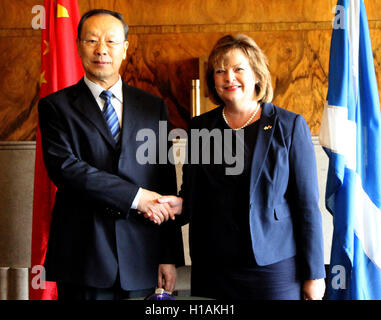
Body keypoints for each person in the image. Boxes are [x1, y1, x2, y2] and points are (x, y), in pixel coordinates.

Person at [155, 34, 326, 300]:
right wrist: (180, 205)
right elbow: (192, 195)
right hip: (214, 268)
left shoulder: (289, 126)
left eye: (238, 69)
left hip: (272, 269)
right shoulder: (201, 128)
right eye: (220, 71)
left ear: (257, 74)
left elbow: (306, 206)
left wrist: (315, 274)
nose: (229, 78)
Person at [38, 9, 184, 300]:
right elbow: (66, 169)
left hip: (141, 254)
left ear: (125, 48)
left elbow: (164, 181)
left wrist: (168, 255)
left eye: (111, 41)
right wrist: (136, 196)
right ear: (78, 45)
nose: (101, 49)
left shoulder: (152, 107)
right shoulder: (55, 106)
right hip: (83, 255)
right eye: (92, 40)